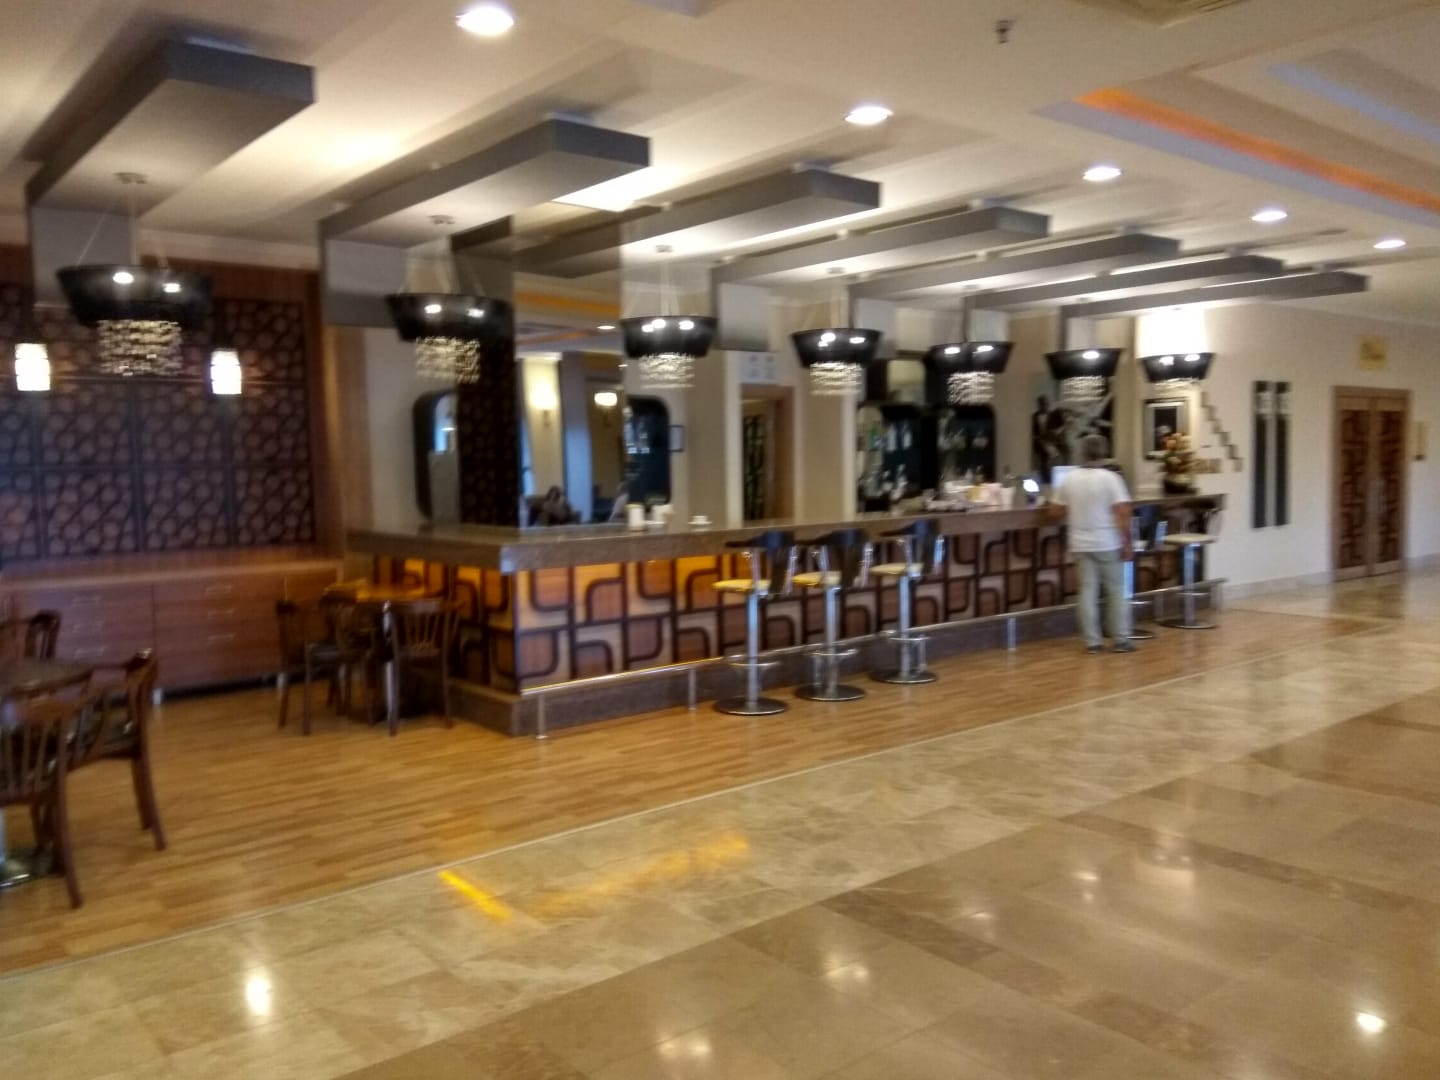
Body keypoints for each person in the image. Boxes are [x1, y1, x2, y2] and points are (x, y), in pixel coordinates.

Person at [1053, 434, 1134, 654]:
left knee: (1087, 591)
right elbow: (1123, 512)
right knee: (1116, 590)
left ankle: (1093, 643)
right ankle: (1121, 639)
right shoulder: (1111, 478)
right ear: (1104, 453)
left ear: (1082, 453)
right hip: (1107, 542)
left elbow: (1056, 510)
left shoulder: (1069, 479)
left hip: (1080, 543)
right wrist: (1127, 541)